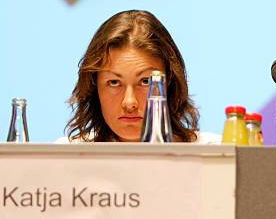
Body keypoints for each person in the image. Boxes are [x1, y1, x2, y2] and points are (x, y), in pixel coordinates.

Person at [57, 10, 220, 144]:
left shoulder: (213, 155)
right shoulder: (65, 156)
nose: (129, 103)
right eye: (114, 82)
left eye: (145, 81)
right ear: (94, 88)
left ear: (170, 84)